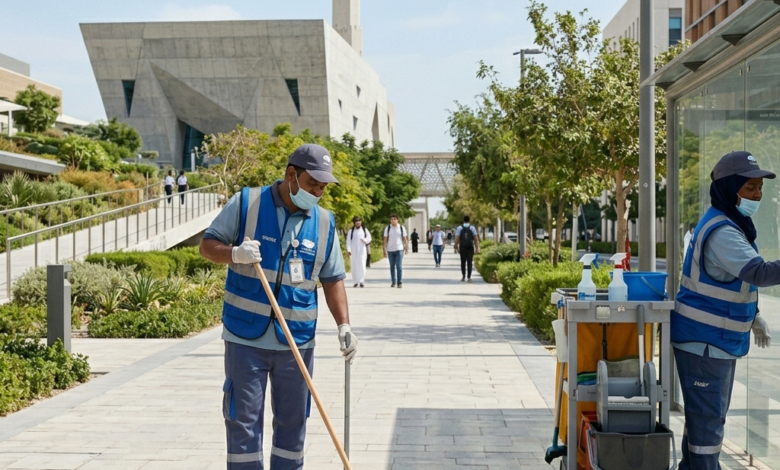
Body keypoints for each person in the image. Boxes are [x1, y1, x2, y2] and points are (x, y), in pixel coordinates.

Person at [199, 143, 358, 470]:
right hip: (246, 339)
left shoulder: (325, 223)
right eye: (313, 184)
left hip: (297, 343)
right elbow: (207, 245)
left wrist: (344, 325)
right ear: (291, 175)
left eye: (323, 187)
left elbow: (333, 280)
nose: (318, 192)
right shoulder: (247, 203)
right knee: (243, 422)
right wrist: (234, 253)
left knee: (293, 424)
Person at [672, 151, 775, 470]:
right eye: (750, 188)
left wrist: (754, 317)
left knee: (701, 424)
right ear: (731, 190)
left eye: (759, 187)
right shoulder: (724, 231)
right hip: (705, 344)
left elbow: (726, 281)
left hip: (710, 342)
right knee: (707, 432)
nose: (757, 194)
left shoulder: (728, 222)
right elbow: (758, 272)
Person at [383, 215, 408, 287]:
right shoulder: (387, 228)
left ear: (397, 220)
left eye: (394, 219)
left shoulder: (401, 228)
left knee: (399, 266)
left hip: (399, 249)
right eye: (391, 219)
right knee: (392, 266)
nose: (393, 220)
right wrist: (384, 249)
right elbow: (385, 239)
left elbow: (405, 239)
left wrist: (407, 248)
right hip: (390, 250)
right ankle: (393, 281)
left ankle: (399, 282)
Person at [347, 216, 371, 288]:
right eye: (356, 221)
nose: (358, 222)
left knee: (362, 265)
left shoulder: (364, 230)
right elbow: (348, 241)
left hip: (362, 250)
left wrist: (365, 240)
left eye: (359, 221)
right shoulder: (351, 231)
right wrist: (349, 250)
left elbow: (369, 238)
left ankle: (361, 281)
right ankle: (355, 281)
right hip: (353, 251)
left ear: (361, 222)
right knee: (354, 266)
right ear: (354, 223)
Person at [454, 216, 480, 282]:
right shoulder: (472, 228)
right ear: (469, 220)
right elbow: (475, 238)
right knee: (469, 262)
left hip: (462, 247)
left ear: (463, 220)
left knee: (463, 262)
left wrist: (455, 246)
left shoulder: (459, 228)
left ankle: (463, 276)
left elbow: (457, 237)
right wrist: (477, 248)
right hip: (470, 247)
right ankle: (469, 277)